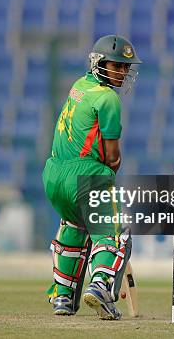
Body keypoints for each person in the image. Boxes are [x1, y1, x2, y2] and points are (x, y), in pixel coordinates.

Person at [42, 35, 140, 319]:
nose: (122, 72)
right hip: (86, 175)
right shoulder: (109, 98)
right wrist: (110, 173)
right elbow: (112, 157)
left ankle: (62, 296)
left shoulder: (79, 85)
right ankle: (101, 287)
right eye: (117, 66)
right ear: (99, 63)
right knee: (115, 234)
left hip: (53, 174)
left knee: (75, 227)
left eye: (125, 67)